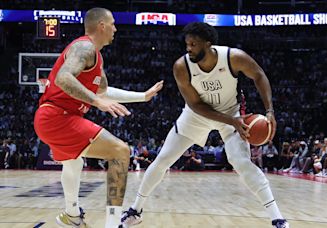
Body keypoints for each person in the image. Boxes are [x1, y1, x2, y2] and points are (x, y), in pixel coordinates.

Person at [120, 22, 288, 228]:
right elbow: (195, 105)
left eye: (193, 44)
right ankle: (136, 210)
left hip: (231, 112)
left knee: (241, 163)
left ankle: (277, 218)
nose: (188, 48)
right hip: (197, 115)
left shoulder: (234, 57)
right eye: (187, 44)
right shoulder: (181, 67)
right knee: (163, 159)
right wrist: (231, 122)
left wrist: (269, 110)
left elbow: (259, 75)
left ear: (208, 44)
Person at [33, 8, 163, 228]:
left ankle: (71, 215)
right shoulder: (84, 46)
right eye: (112, 23)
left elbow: (104, 92)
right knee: (120, 151)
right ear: (101, 25)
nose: (115, 28)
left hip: (55, 118)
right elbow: (64, 78)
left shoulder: (97, 58)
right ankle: (113, 223)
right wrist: (96, 102)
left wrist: (143, 96)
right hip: (57, 116)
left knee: (73, 163)